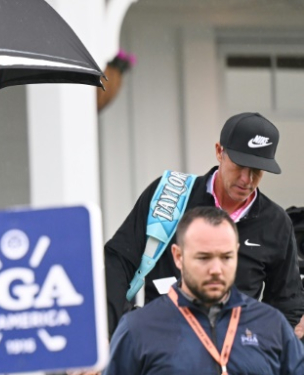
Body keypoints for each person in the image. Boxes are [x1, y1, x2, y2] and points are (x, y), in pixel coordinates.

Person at [104, 112, 304, 337]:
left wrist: (256, 349)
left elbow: (287, 303)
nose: (246, 179)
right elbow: (118, 263)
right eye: (240, 165)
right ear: (219, 151)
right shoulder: (169, 197)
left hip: (232, 358)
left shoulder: (275, 222)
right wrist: (114, 334)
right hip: (160, 347)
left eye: (257, 171)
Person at [103, 206, 304, 374]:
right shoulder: (137, 329)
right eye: (203, 258)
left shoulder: (272, 325)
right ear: (178, 256)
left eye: (226, 257)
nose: (216, 270)